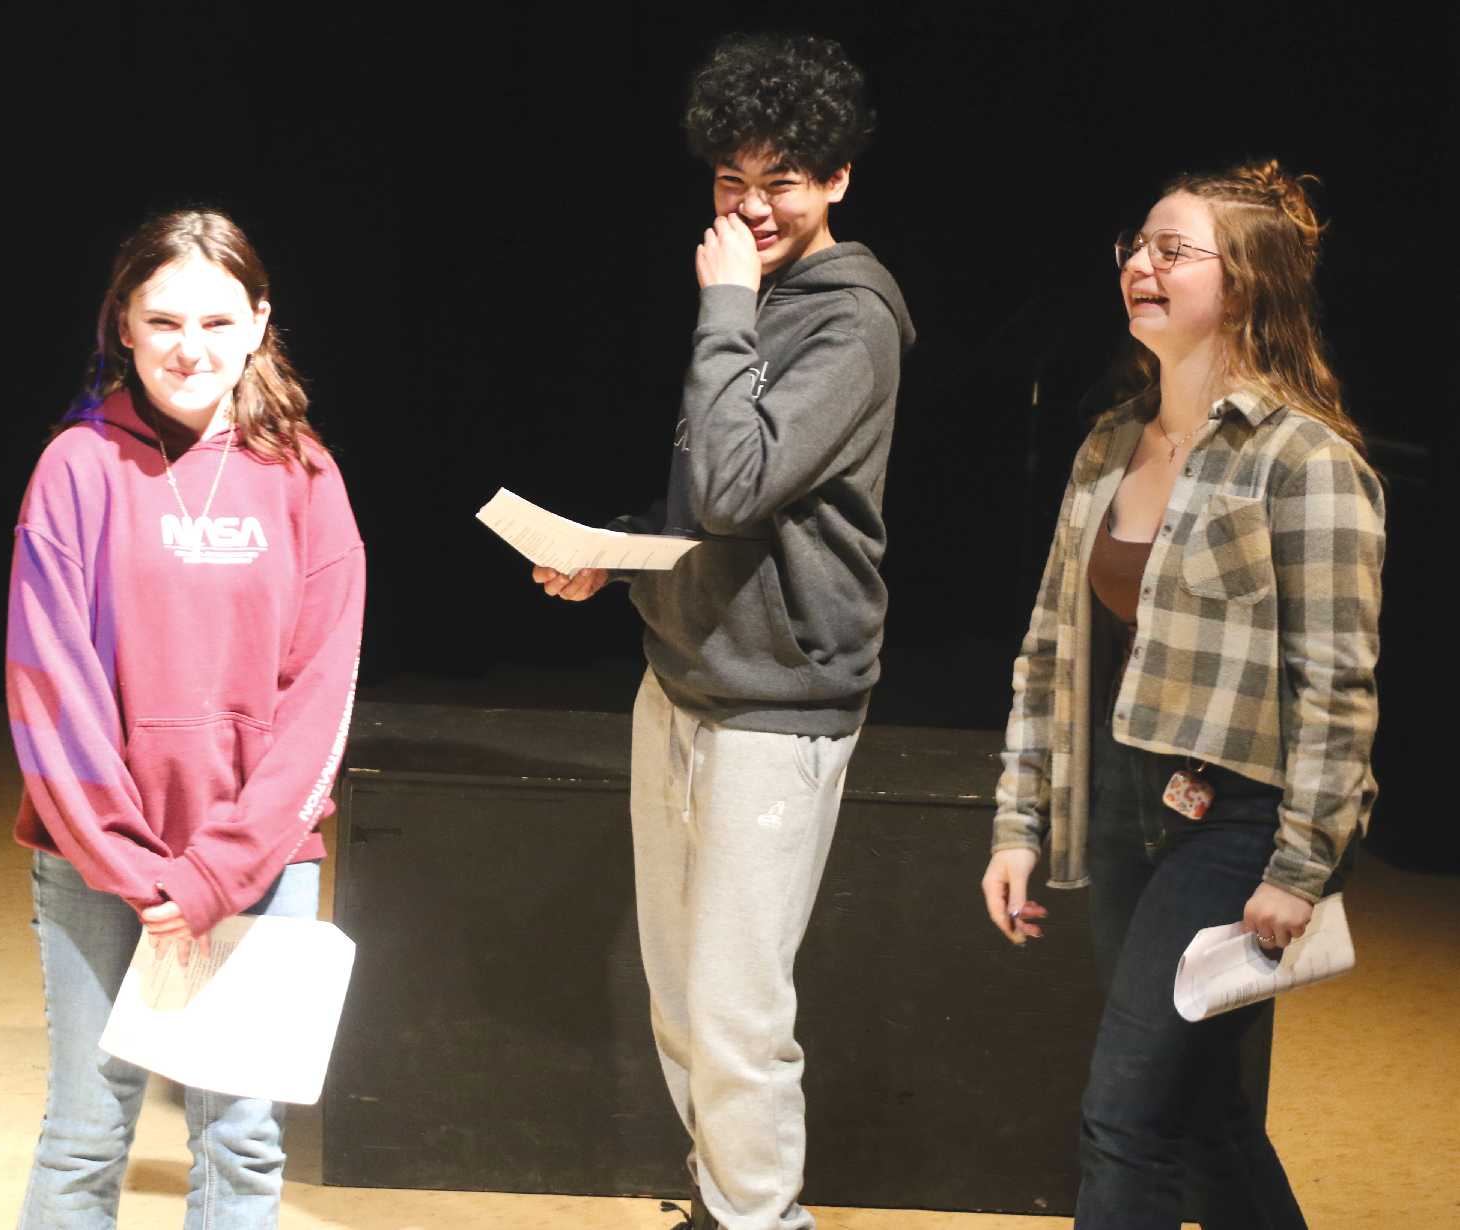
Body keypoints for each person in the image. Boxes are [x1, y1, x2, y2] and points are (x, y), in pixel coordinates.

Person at [532, 32, 914, 1230]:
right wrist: (622, 549)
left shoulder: (846, 321)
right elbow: (715, 497)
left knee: (741, 1007)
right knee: (682, 997)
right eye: (730, 180)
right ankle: (726, 1198)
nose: (750, 207)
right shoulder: (764, 302)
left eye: (781, 179)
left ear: (840, 179)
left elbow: (745, 484)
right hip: (685, 676)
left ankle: (763, 1218)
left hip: (778, 705)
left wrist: (728, 306)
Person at [980, 160, 1383, 1229]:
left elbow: (1337, 685)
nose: (1140, 268)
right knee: (1199, 1113)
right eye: (1137, 247)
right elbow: (1046, 651)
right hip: (1126, 805)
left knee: (1129, 1119)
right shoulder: (1109, 446)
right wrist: (1020, 821)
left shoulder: (1304, 461)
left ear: (1245, 284)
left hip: (1236, 820)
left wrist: (1303, 863)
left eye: (1173, 250)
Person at [7, 209, 365, 1228]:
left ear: (258, 323)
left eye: (216, 320)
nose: (189, 347)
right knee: (85, 1134)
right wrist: (138, 868)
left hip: (260, 865)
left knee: (243, 1142)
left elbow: (319, 694)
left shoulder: (304, 478)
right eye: (163, 320)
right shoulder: (75, 469)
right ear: (123, 323)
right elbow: (48, 689)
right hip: (95, 867)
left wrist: (219, 871)